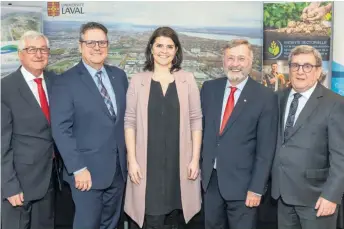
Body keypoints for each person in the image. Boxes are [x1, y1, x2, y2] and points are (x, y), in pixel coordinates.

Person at [50, 22, 128, 229]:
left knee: (111, 224)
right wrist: (78, 168)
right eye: (91, 42)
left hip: (118, 171)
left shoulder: (119, 76)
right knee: (87, 224)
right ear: (80, 46)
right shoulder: (65, 81)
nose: (97, 47)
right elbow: (60, 129)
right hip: (86, 173)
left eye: (102, 42)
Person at [124, 26, 202, 229]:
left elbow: (196, 120)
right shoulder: (137, 81)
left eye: (169, 46)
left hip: (180, 164)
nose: (164, 51)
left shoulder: (188, 80)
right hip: (147, 165)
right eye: (159, 45)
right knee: (150, 217)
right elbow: (129, 121)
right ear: (151, 48)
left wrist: (194, 159)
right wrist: (132, 161)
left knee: (177, 217)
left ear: (176, 50)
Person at [200, 39, 278, 229]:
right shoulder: (209, 89)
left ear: (251, 62)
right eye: (231, 58)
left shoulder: (265, 97)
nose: (235, 64)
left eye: (241, 58)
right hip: (211, 183)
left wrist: (256, 189)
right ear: (223, 61)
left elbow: (266, 149)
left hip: (245, 188)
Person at [271, 45, 344, 229]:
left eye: (307, 66)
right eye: (295, 65)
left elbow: (341, 156)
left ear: (318, 71)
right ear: (289, 69)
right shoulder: (276, 99)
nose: (300, 71)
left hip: (317, 199)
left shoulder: (335, 103)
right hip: (282, 196)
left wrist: (331, 196)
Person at [1, 30, 61, 229]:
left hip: (50, 180)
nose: (38, 54)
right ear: (20, 54)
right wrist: (9, 186)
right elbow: (1, 144)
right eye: (31, 49)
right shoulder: (5, 89)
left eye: (43, 49)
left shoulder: (55, 82)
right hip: (19, 184)